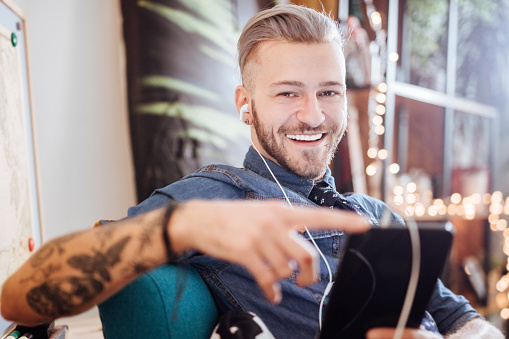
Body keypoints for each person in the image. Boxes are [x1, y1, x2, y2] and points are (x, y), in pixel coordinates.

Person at [1, 4, 503, 339]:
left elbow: (456, 314)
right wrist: (177, 226)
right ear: (245, 104)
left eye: (328, 91)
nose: (312, 115)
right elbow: (18, 297)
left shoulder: (371, 210)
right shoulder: (211, 198)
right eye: (288, 93)